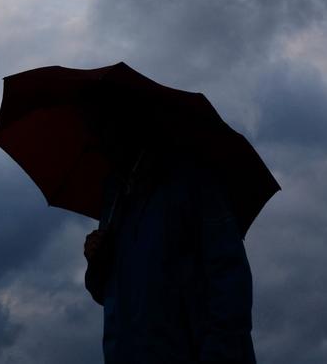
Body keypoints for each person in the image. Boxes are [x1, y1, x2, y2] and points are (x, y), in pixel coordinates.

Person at [83, 139, 257, 364]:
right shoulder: (115, 195)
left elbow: (229, 281)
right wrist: (98, 265)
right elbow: (118, 295)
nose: (96, 135)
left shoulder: (192, 178)